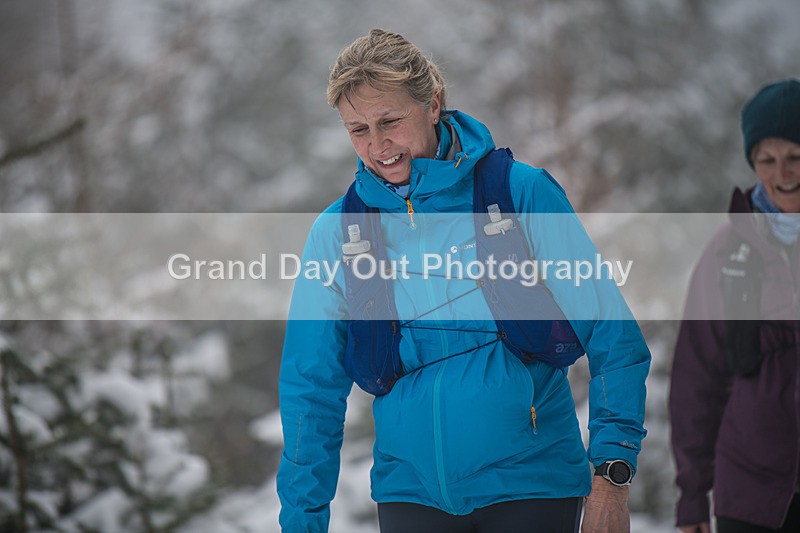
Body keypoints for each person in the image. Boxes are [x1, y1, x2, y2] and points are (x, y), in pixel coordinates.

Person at [277, 29, 651, 533]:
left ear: (432, 104)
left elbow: (614, 338)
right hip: (410, 496)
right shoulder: (339, 232)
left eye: (390, 121)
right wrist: (302, 522)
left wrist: (611, 480)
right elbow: (311, 391)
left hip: (531, 487)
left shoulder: (520, 194)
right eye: (358, 129)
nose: (377, 145)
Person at [670, 78, 800, 533]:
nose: (783, 173)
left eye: (795, 157)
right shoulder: (727, 252)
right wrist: (691, 498)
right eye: (767, 160)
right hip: (748, 496)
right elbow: (695, 381)